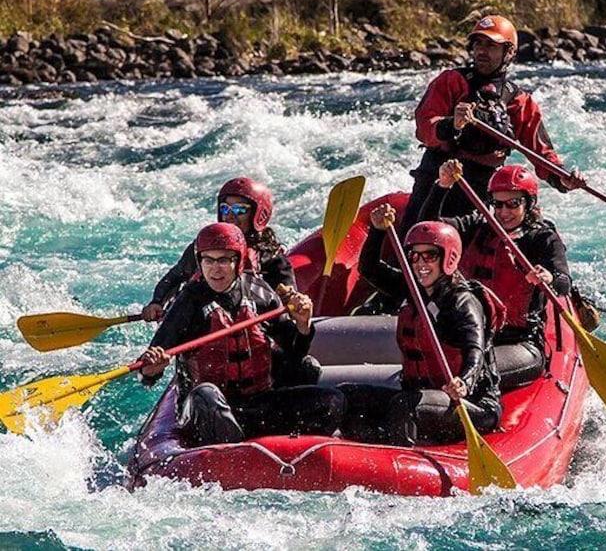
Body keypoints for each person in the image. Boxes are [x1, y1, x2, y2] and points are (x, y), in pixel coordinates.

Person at [136, 223, 345, 446]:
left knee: (331, 400)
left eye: (224, 260)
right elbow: (146, 374)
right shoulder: (188, 303)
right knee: (206, 396)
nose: (215, 269)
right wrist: (152, 368)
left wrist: (303, 325)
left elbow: (294, 353)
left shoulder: (260, 293)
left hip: (253, 405)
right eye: (208, 260)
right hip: (206, 410)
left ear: (238, 261)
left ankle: (291, 450)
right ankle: (231, 454)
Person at [399, 14, 586, 237]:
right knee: (415, 238)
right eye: (478, 43)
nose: (481, 51)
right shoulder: (450, 81)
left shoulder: (518, 101)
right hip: (436, 178)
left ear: (509, 52)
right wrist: (452, 124)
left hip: (479, 187)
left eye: (490, 45)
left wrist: (562, 177)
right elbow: (424, 128)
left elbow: (541, 152)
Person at [346, 208, 504, 446]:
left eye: (429, 255)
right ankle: (365, 458)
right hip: (422, 395)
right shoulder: (413, 289)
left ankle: (401, 461)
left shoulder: (463, 302)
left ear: (448, 258)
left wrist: (464, 381)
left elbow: (475, 350)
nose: (420, 263)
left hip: (471, 404)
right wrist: (378, 232)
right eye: (414, 256)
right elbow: (369, 269)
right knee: (349, 396)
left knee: (404, 406)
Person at [420, 159, 573, 389]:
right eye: (497, 204)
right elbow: (429, 230)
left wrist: (549, 279)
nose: (503, 212)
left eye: (513, 204)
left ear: (528, 203)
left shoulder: (542, 239)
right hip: (470, 334)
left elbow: (564, 282)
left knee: (466, 369)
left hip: (520, 343)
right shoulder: (478, 226)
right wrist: (441, 186)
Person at [141, 177, 295, 322]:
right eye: (225, 209)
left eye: (240, 210)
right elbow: (175, 277)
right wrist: (157, 302)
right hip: (201, 322)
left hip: (248, 325)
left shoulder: (270, 256)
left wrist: (291, 299)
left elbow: (286, 297)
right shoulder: (205, 245)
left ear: (258, 214)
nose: (230, 217)